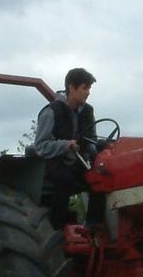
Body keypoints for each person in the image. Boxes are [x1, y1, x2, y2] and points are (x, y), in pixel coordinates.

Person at [32, 67, 105, 229]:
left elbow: (92, 139)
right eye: (85, 88)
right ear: (71, 87)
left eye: (89, 89)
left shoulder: (88, 111)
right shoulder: (51, 112)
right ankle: (57, 229)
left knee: (101, 178)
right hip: (56, 164)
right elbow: (41, 146)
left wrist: (97, 147)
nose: (88, 93)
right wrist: (65, 145)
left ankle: (95, 227)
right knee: (64, 180)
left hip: (80, 163)